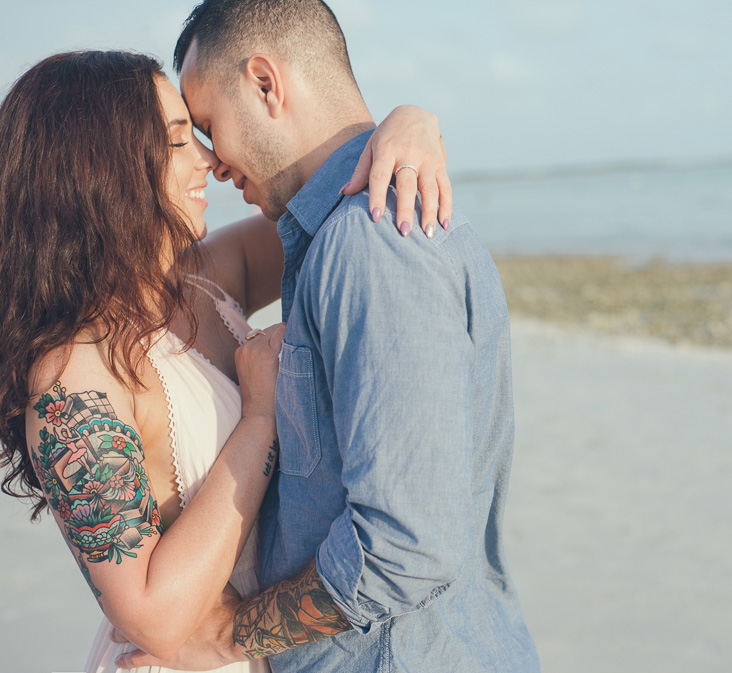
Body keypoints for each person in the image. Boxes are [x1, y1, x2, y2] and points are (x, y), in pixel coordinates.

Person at [118, 1, 540, 671]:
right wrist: (409, 118)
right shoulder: (327, 236)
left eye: (206, 125)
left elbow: (406, 545)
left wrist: (227, 636)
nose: (213, 162)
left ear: (265, 82)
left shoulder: (371, 241)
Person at [0, 49, 452, 673]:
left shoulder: (203, 280)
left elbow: (332, 202)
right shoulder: (72, 374)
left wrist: (407, 127)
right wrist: (261, 416)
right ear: (100, 167)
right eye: (180, 140)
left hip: (267, 651)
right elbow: (153, 618)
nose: (209, 162)